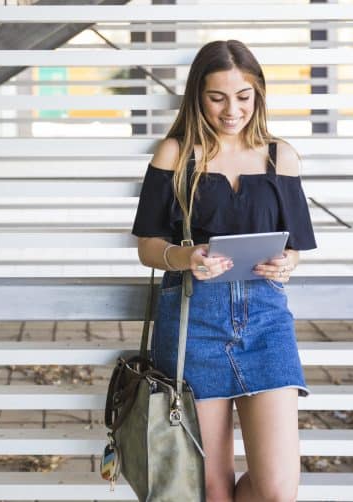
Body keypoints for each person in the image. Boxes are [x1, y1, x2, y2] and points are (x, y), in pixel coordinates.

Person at [131, 40, 317, 501]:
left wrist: (285, 263)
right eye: (217, 97)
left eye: (243, 97)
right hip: (194, 325)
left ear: (258, 95)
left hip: (267, 325)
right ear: (198, 95)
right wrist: (186, 257)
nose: (231, 110)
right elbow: (148, 247)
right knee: (210, 490)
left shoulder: (282, 157)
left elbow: (295, 249)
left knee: (277, 489)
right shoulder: (175, 155)